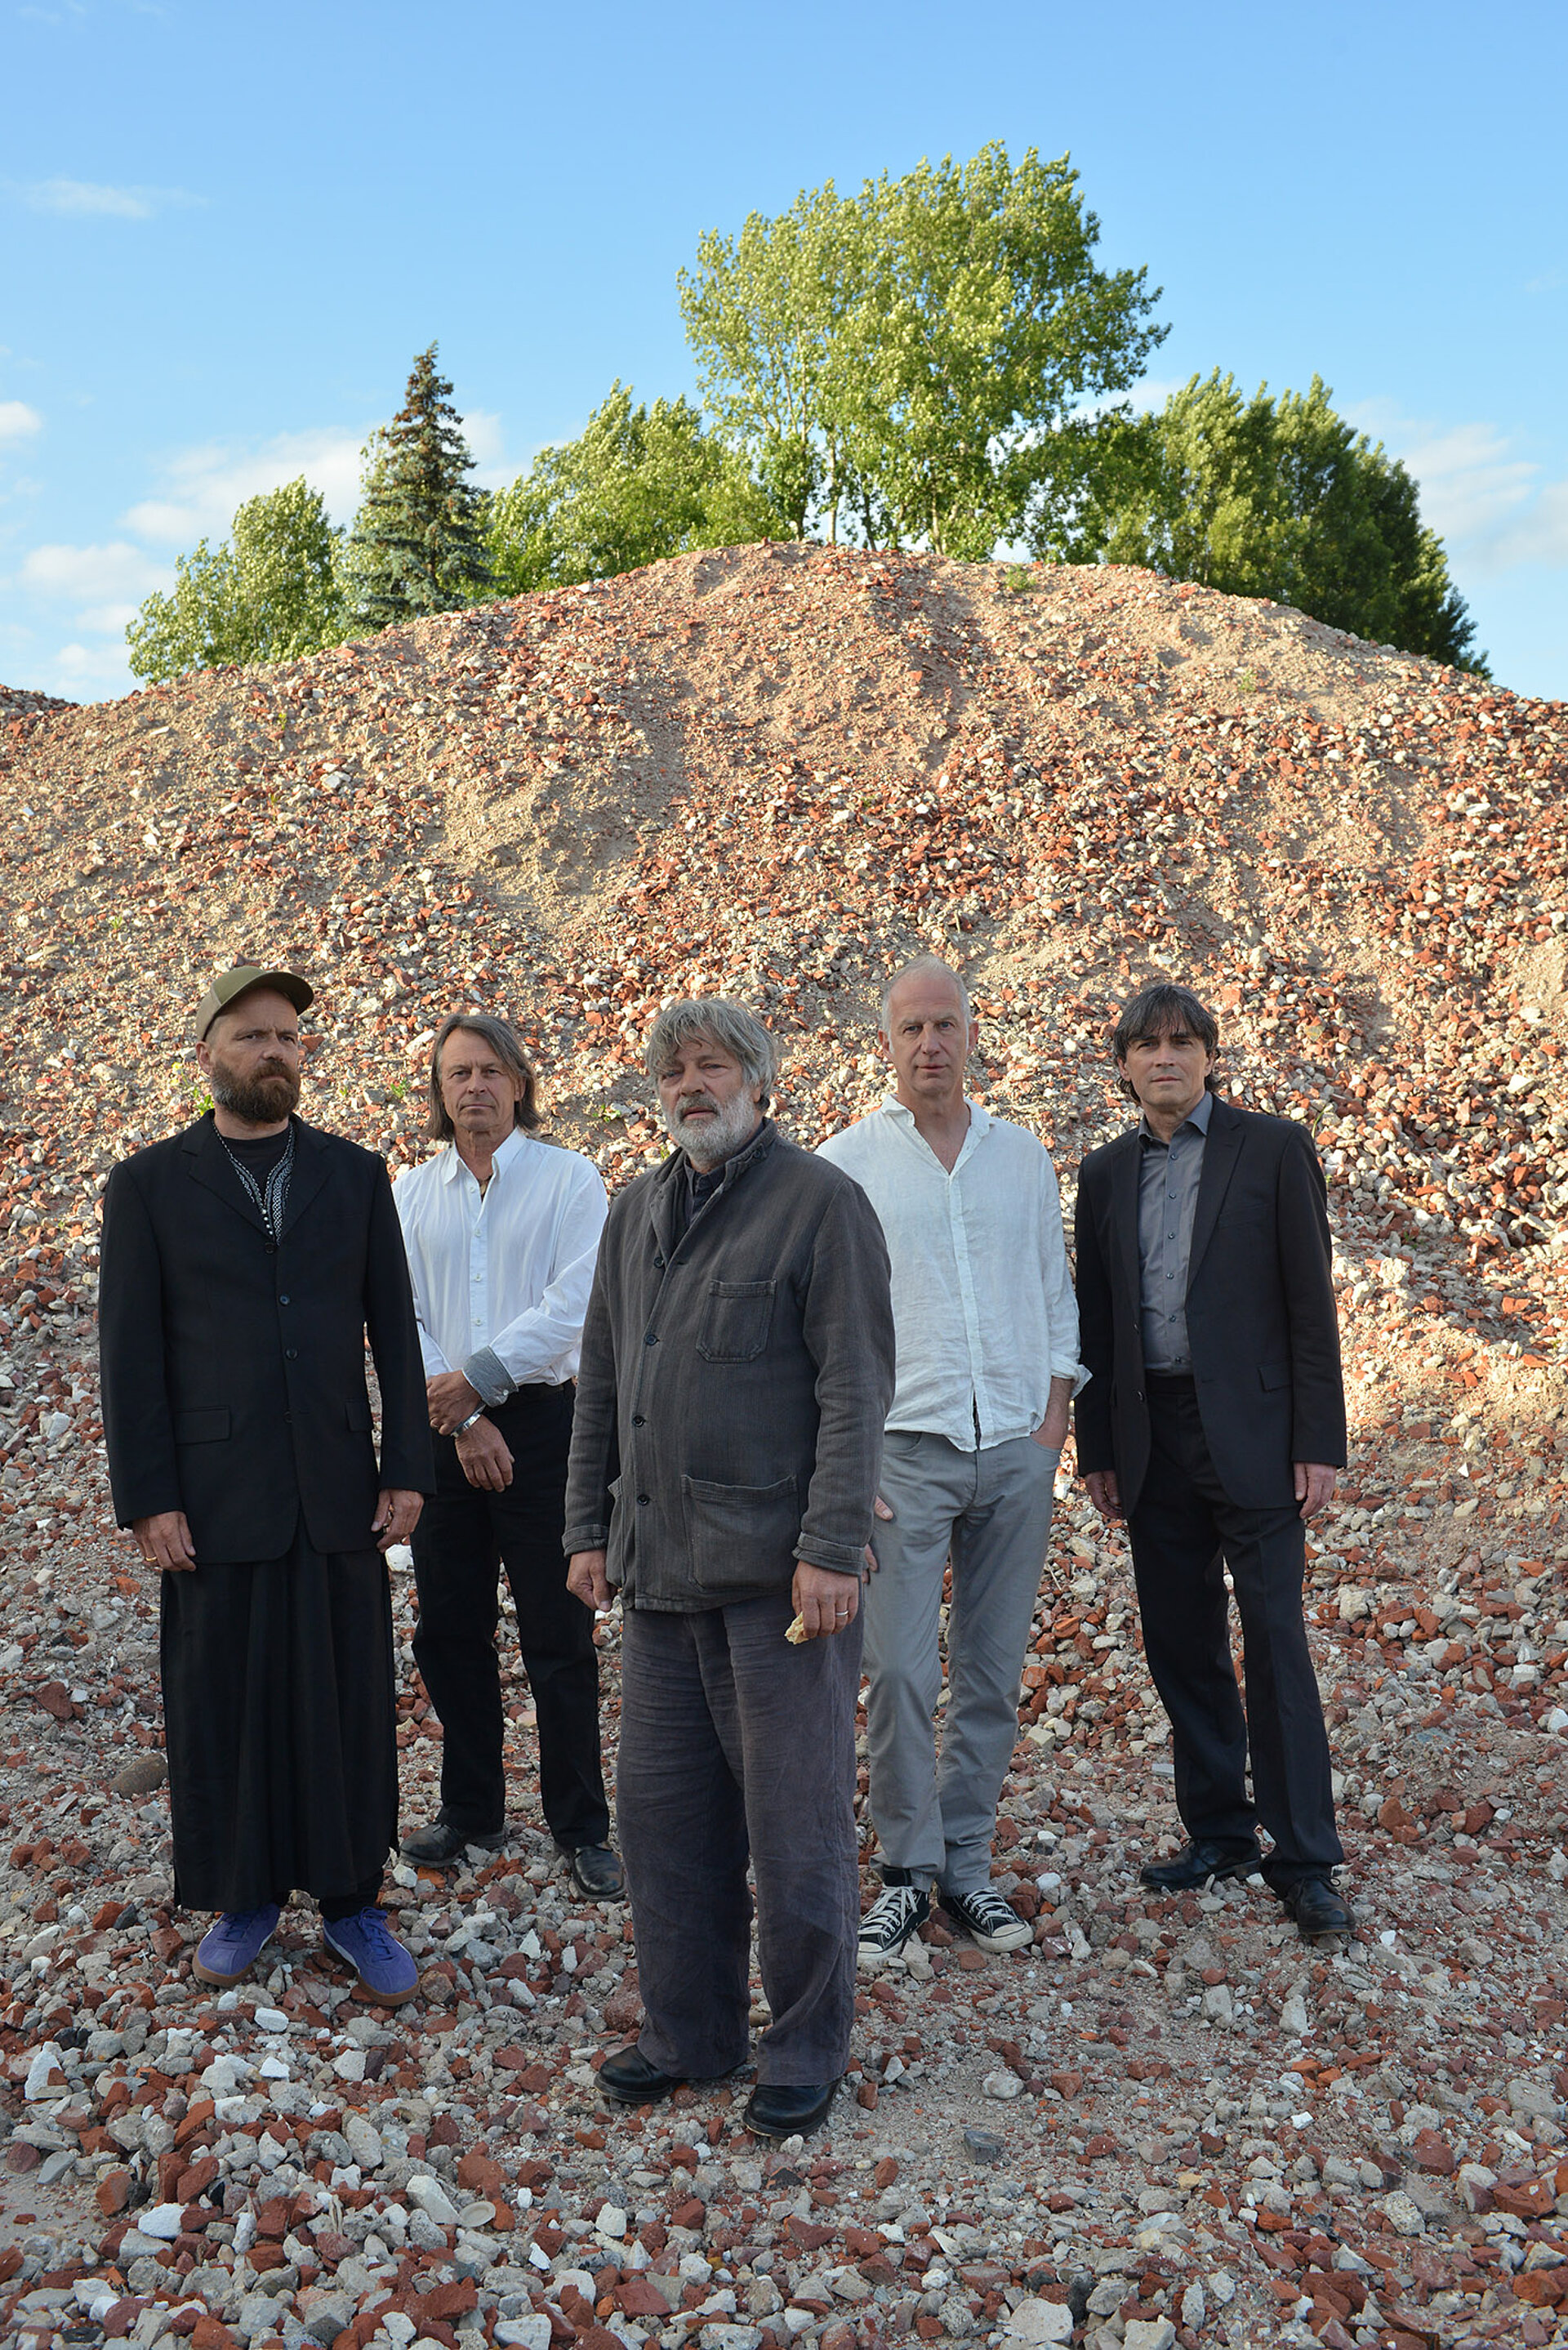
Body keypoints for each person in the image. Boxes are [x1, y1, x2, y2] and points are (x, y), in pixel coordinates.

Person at [564, 997, 895, 2139]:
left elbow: (856, 1387)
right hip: (660, 1578)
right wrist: (586, 1530)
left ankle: (804, 2045)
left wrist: (831, 1547)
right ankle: (690, 2034)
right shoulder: (634, 1212)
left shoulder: (821, 1205)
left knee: (796, 1830)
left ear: (760, 1082)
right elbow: (603, 1383)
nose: (692, 1087)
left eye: (713, 1066)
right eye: (675, 1072)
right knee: (664, 1823)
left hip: (780, 1587)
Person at [99, 963, 432, 2002]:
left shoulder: (354, 1174)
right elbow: (129, 1356)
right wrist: (149, 1496)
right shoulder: (149, 1185)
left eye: (287, 1036)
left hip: (337, 1490)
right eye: (252, 1036)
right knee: (224, 1699)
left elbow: (395, 1333)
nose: (274, 1051)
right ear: (208, 1053)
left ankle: (352, 1901)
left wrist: (406, 1467)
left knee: (347, 1700)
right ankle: (242, 1897)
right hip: (214, 1497)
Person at [817, 956, 1086, 1965]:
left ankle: (965, 1865)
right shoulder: (844, 1164)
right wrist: (849, 1462)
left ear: (972, 1034)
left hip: (1013, 1450)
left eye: (946, 1025)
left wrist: (1051, 1424)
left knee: (991, 1673)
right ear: (885, 1043)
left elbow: (1053, 1290)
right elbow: (823, 1327)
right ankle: (904, 1871)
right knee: (896, 1671)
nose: (930, 1044)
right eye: (911, 1028)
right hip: (902, 1458)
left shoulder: (1022, 1157)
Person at [1073, 980, 1352, 1941]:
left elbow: (1311, 1302)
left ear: (1210, 1056)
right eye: (1148, 1045)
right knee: (1180, 1642)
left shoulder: (1272, 1148)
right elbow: (1098, 1320)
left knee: (1275, 1641)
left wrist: (1317, 1441)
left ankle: (1306, 1860)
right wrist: (1099, 1448)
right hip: (1152, 1439)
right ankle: (1221, 1835)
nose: (1166, 1058)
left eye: (1183, 1042)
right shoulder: (1104, 1173)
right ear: (1123, 1064)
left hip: (1258, 1437)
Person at [392, 1012, 621, 1900]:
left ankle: (581, 1826)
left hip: (543, 1429)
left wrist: (479, 1384)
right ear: (440, 1092)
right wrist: (458, 1416)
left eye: (491, 1070)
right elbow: (395, 1313)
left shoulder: (569, 1179)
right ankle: (472, 1808)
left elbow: (579, 1303)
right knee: (450, 1631)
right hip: (442, 1433)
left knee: (558, 1633)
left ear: (519, 1084)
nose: (475, 1086)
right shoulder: (411, 1193)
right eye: (458, 1073)